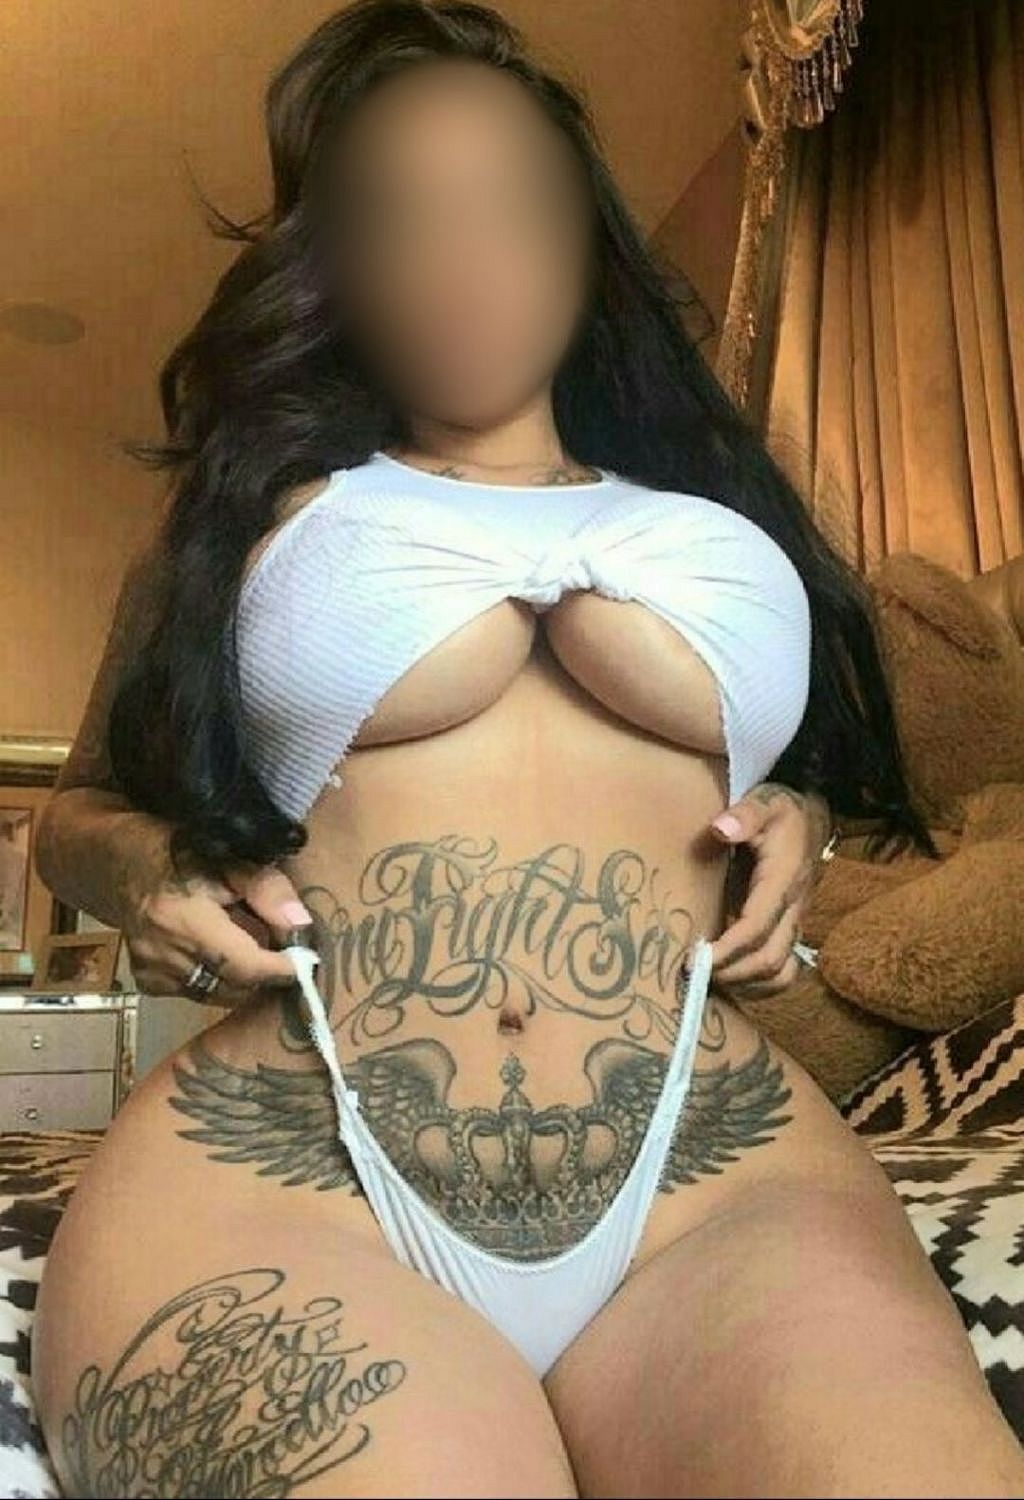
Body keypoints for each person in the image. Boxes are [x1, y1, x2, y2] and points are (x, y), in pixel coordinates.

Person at [30, 3, 1024, 1496]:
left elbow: (796, 779)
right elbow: (79, 810)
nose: (465, 252)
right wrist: (148, 867)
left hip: (709, 1189)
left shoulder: (712, 511)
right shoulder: (252, 507)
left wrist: (804, 818)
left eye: (509, 201)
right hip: (299, 1180)